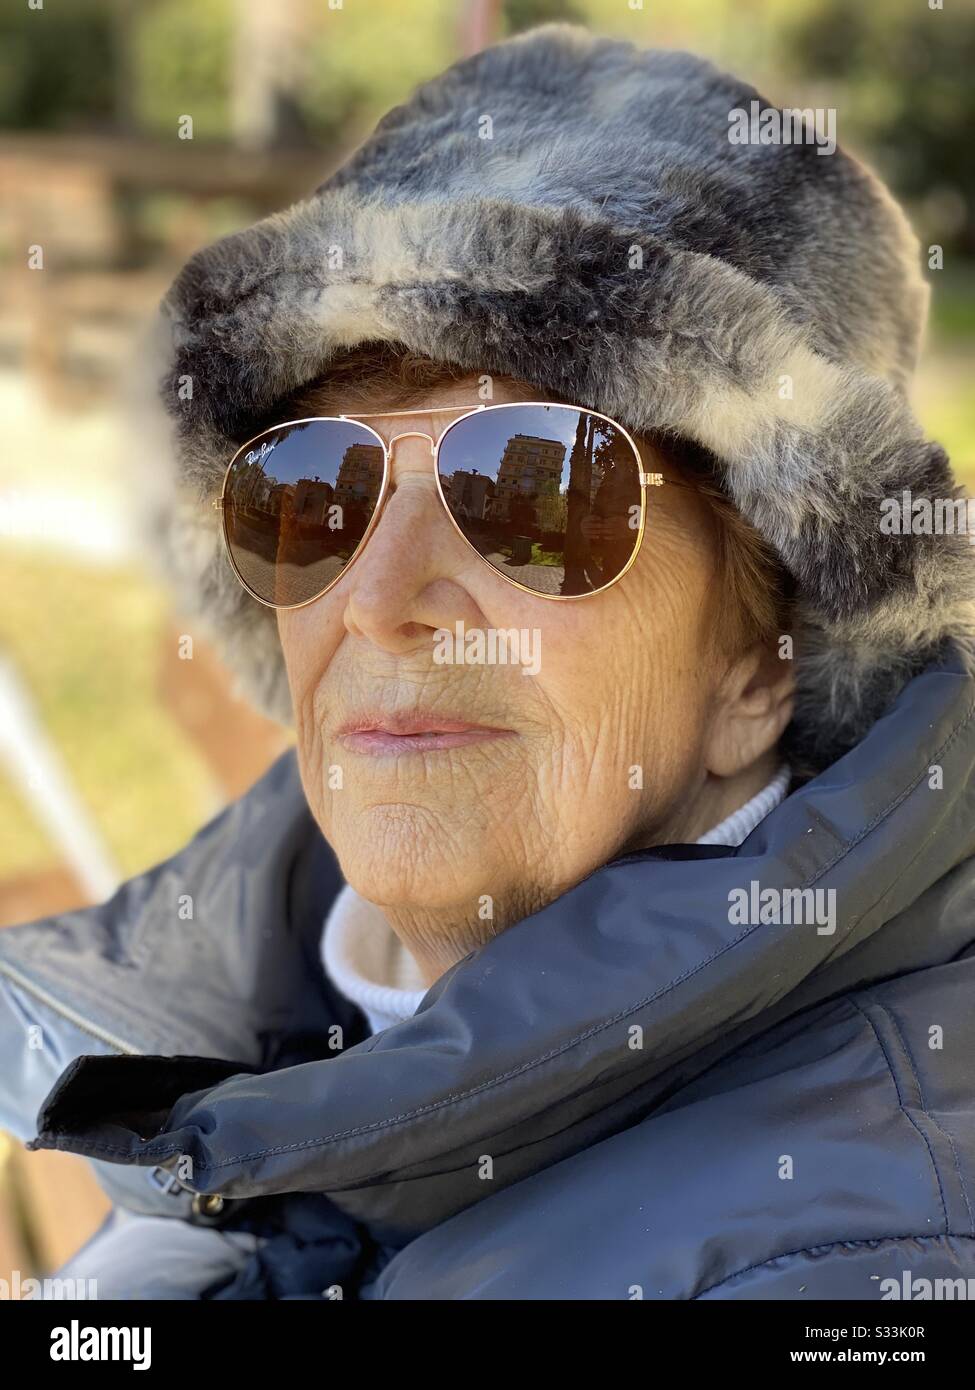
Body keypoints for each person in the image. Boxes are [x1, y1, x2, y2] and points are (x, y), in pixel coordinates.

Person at [2, 23, 974, 1301]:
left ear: (766, 666)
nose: (383, 600)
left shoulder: (863, 1264)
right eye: (313, 490)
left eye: (537, 492)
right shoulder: (234, 1060)